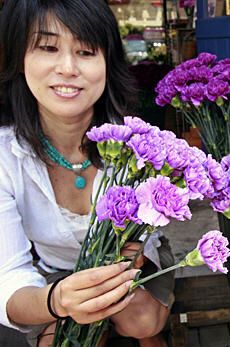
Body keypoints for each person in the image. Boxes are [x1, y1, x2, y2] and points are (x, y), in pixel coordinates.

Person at [0, 1, 175, 346]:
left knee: (140, 320)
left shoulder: (137, 146)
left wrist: (129, 262)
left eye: (86, 51)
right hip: (53, 273)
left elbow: (145, 238)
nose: (67, 68)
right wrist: (58, 300)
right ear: (19, 58)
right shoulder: (6, 154)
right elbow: (10, 281)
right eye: (48, 48)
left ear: (108, 63)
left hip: (132, 265)